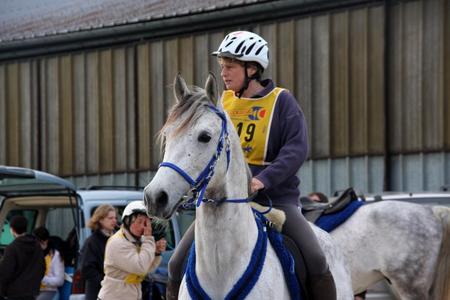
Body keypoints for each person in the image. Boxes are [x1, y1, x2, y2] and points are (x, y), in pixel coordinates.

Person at [166, 30, 336, 300]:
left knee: (316, 260)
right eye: (222, 66)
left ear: (252, 68)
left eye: (230, 66)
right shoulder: (220, 103)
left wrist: (262, 180)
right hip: (223, 200)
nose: (224, 73)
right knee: (175, 265)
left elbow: (296, 149)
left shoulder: (282, 102)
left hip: (275, 199)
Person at [98, 201, 166, 300]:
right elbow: (141, 268)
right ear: (127, 221)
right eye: (140, 222)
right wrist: (148, 240)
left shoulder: (135, 241)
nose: (144, 227)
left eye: (147, 223)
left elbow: (147, 269)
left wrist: (156, 253)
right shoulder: (117, 243)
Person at [0, 215, 45, 300]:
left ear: (12, 230)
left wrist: (2, 292)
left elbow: (5, 273)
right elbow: (42, 268)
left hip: (13, 294)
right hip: (31, 293)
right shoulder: (37, 246)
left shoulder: (11, 248)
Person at [79, 204, 117, 300]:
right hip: (97, 293)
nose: (114, 221)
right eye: (110, 218)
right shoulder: (91, 242)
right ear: (100, 219)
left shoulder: (120, 239)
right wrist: (106, 281)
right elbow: (86, 269)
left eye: (115, 218)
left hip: (118, 292)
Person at [34, 227, 65, 300]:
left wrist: (42, 279)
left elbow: (60, 281)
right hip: (34, 290)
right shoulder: (35, 254)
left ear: (46, 241)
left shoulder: (55, 256)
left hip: (49, 291)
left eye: (39, 243)